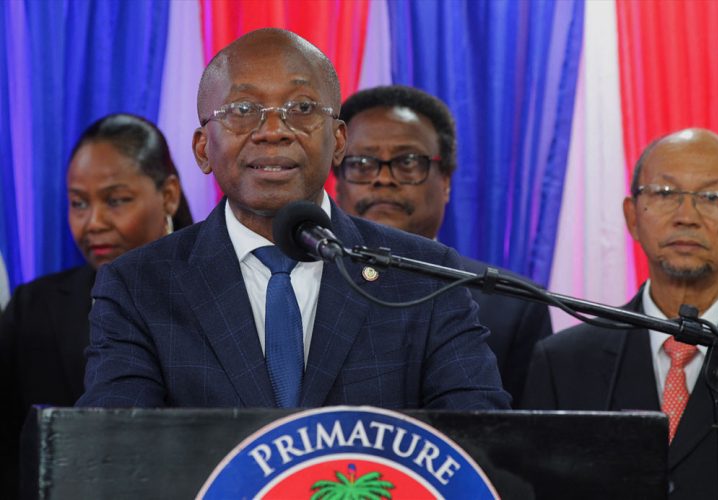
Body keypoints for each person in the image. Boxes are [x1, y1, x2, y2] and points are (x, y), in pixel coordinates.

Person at [77, 29, 510, 411]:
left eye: (301, 107)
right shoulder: (138, 286)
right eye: (243, 110)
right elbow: (115, 452)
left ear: (338, 142)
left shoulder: (426, 280)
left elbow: (482, 447)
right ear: (202, 149)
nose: (273, 130)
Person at [520, 128, 718, 499]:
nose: (687, 216)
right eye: (665, 193)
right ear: (632, 217)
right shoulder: (563, 362)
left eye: (712, 196)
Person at [0, 113, 193, 497]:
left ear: (168, 194)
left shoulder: (217, 297)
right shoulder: (32, 308)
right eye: (78, 203)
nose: (94, 222)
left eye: (116, 200)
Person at [333, 85, 552, 405]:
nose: (382, 179)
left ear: (446, 181)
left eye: (407, 162)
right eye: (362, 164)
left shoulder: (514, 303)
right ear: (337, 182)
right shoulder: (303, 284)